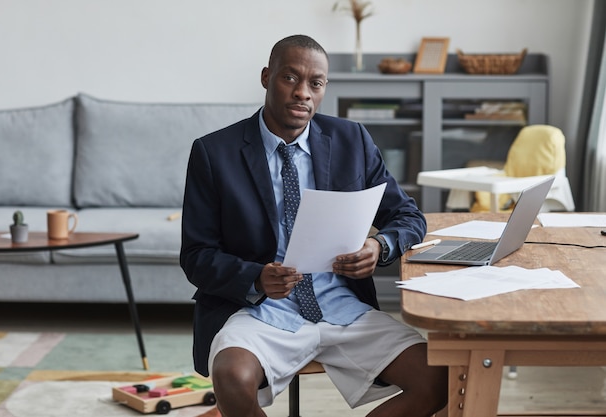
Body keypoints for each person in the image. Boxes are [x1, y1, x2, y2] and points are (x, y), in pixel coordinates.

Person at [180, 34, 448, 417]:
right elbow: (196, 256)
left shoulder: (351, 139)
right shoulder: (213, 152)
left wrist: (380, 247)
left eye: (315, 83)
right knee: (230, 377)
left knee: (440, 377)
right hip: (260, 309)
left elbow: (408, 217)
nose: (303, 93)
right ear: (266, 77)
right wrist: (257, 277)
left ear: (324, 89)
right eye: (290, 78)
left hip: (341, 303)